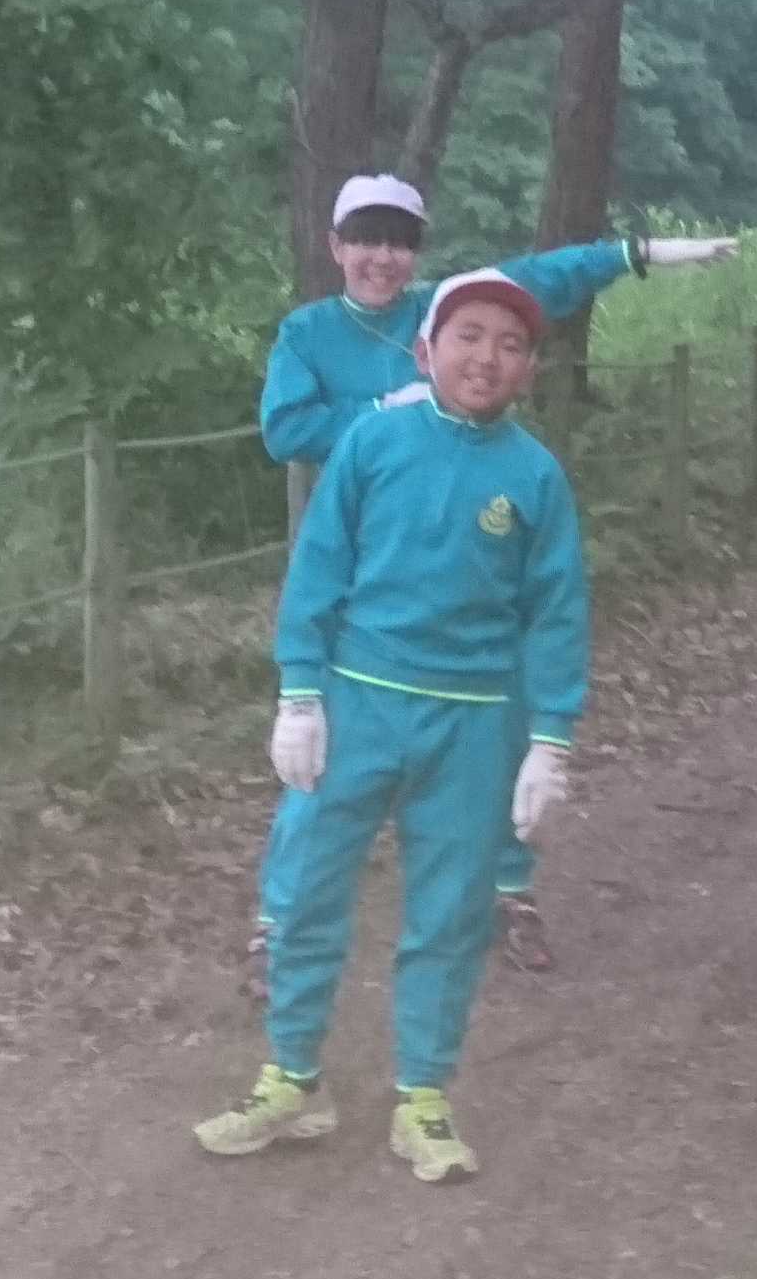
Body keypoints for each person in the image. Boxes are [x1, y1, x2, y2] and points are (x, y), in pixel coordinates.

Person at [251, 172, 731, 985]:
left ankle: (508, 888)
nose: (382, 258)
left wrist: (642, 252)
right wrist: (384, 411)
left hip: (474, 559)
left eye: (400, 241)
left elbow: (548, 276)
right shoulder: (309, 333)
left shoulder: (449, 309)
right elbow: (285, 428)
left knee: (500, 720)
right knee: (323, 752)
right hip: (370, 570)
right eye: (366, 239)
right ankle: (281, 922)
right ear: (336, 246)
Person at [200, 269, 590, 1183]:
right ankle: (293, 1078)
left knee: (450, 914)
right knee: (304, 891)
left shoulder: (535, 476)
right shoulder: (372, 444)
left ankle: (424, 1098)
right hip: (356, 705)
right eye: (468, 336)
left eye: (510, 344)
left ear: (530, 370)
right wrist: (299, 694)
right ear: (426, 349)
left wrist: (550, 739)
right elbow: (319, 569)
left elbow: (557, 613)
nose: (486, 358)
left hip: (475, 722)